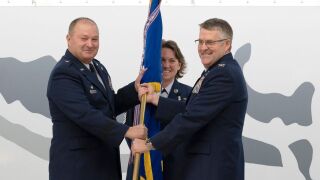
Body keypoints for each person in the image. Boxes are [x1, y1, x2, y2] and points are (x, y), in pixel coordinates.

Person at [132, 18, 248, 180]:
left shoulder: (224, 74)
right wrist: (155, 98)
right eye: (200, 42)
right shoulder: (216, 71)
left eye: (210, 42)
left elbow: (192, 117)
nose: (203, 48)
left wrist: (149, 144)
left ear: (227, 44)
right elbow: (191, 109)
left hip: (213, 169)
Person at [47, 17, 148, 180]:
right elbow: (85, 115)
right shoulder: (64, 74)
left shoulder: (98, 67)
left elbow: (108, 106)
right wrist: (126, 130)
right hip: (78, 169)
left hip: (103, 165)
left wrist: (134, 91)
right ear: (69, 39)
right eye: (84, 38)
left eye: (95, 39)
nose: (90, 44)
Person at [125, 40, 192, 180]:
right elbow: (130, 127)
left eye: (172, 60)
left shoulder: (189, 95)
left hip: (176, 169)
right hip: (142, 167)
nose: (166, 65)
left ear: (179, 64)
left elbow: (188, 130)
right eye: (161, 60)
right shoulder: (140, 93)